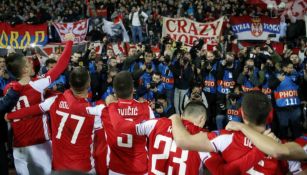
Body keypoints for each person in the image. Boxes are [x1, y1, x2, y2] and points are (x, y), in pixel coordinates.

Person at [171, 91, 302, 174]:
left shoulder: (223, 138)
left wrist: (175, 117)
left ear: (242, 113)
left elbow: (183, 141)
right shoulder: (286, 149)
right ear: (271, 115)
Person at [6, 67, 106, 174]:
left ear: (70, 84)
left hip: (59, 166)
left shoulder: (54, 100)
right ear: (89, 84)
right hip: (83, 167)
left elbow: (31, 110)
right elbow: (100, 148)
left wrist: (10, 116)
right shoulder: (95, 111)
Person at [4, 34, 73, 175]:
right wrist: (70, 42)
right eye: (27, 62)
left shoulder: (8, 89)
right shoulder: (36, 85)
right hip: (38, 143)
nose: (30, 62)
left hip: (18, 146)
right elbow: (61, 66)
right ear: (24, 70)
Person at [107, 97, 208, 174]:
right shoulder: (205, 139)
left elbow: (123, 127)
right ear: (202, 119)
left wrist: (111, 106)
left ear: (182, 115)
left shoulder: (156, 123)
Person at [88, 71, 155, 174]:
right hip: (140, 168)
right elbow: (153, 140)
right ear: (133, 89)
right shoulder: (146, 109)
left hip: (116, 169)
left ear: (114, 91)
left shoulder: (106, 111)